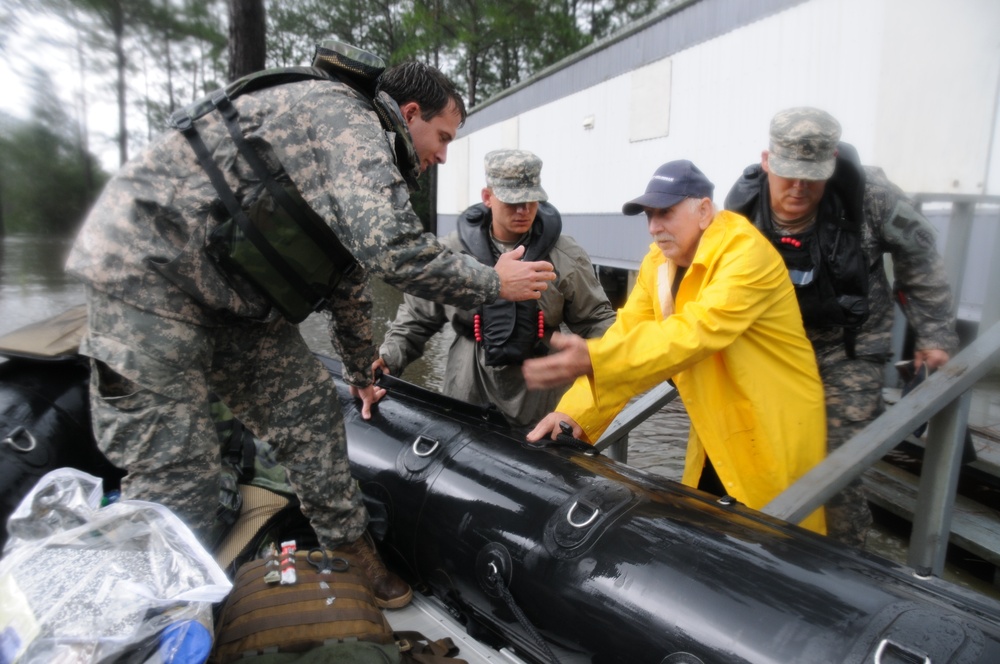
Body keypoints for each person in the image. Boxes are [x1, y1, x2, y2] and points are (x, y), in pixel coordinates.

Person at [64, 44, 556, 608]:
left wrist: (358, 370)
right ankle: (136, 614)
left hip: (235, 297)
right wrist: (495, 283)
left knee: (312, 415)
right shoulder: (344, 117)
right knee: (183, 477)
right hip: (147, 275)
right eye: (444, 138)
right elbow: (392, 250)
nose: (444, 156)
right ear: (411, 113)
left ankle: (350, 551)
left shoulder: (366, 156)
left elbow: (344, 277)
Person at [524, 159, 827, 534]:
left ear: (703, 211)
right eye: (649, 216)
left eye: (665, 213)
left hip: (774, 421)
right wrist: (573, 415)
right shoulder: (659, 264)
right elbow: (626, 335)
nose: (654, 228)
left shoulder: (745, 253)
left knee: (781, 542)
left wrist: (596, 357)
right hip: (720, 421)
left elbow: (697, 330)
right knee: (718, 532)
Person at [724, 107, 958, 547]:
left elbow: (921, 259)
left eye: (813, 175)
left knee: (834, 460)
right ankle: (771, 548)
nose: (799, 187)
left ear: (832, 162)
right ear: (767, 160)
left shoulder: (871, 196)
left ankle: (848, 561)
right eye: (789, 173)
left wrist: (935, 335)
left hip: (851, 347)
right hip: (778, 349)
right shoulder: (742, 209)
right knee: (766, 452)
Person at [377, 149, 616, 427]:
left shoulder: (567, 256)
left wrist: (621, 358)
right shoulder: (451, 254)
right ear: (488, 197)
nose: (523, 210)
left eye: (531, 200)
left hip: (539, 402)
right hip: (467, 393)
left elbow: (598, 321)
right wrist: (388, 359)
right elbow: (416, 318)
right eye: (512, 201)